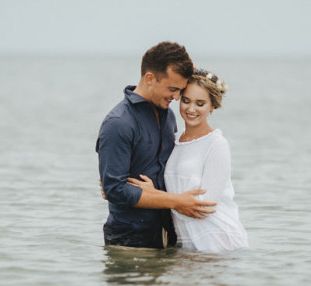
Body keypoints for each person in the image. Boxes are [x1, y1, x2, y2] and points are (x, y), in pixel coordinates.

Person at [96, 42, 216, 249]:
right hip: (130, 242)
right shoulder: (118, 123)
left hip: (170, 237)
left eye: (179, 90)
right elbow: (115, 190)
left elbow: (169, 170)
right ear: (150, 78)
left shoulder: (168, 115)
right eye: (172, 89)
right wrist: (176, 201)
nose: (177, 97)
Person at [127, 68, 248, 253]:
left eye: (200, 103)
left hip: (215, 240)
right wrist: (118, 187)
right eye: (186, 101)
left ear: (212, 106)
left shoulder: (216, 144)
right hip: (186, 242)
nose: (191, 109)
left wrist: (157, 197)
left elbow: (203, 206)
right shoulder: (173, 140)